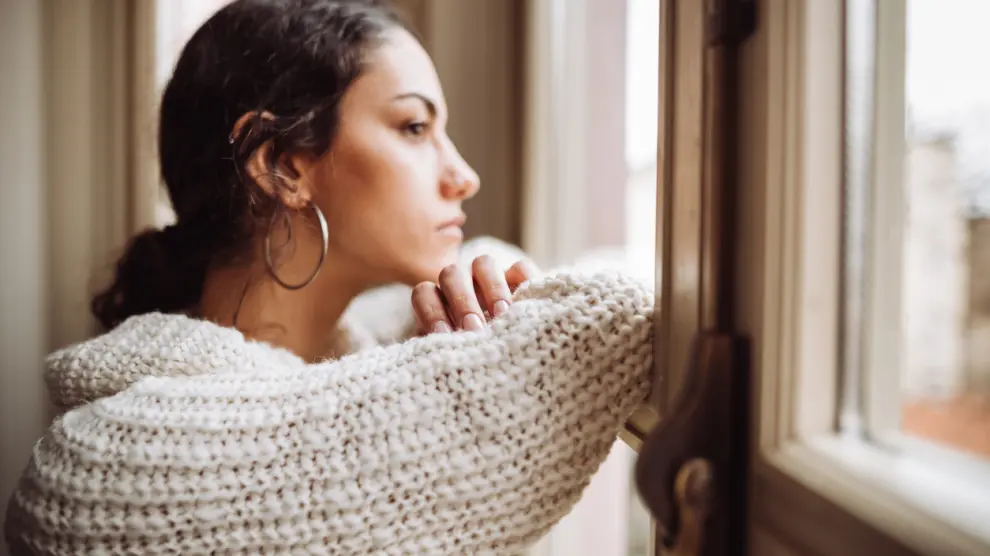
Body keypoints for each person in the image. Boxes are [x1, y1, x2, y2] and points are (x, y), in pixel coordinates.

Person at [3, 1, 656, 554]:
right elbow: (611, 315)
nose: (463, 175)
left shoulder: (359, 358)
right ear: (282, 166)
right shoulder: (106, 469)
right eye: (414, 127)